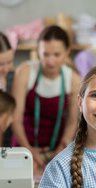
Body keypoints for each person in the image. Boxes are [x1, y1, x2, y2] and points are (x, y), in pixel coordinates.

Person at [11, 25, 81, 169]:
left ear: (67, 52)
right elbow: (15, 118)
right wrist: (28, 150)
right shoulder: (25, 73)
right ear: (38, 51)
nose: (50, 61)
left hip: (57, 149)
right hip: (23, 147)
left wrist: (59, 153)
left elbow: (72, 122)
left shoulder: (73, 79)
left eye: (56, 54)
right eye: (45, 54)